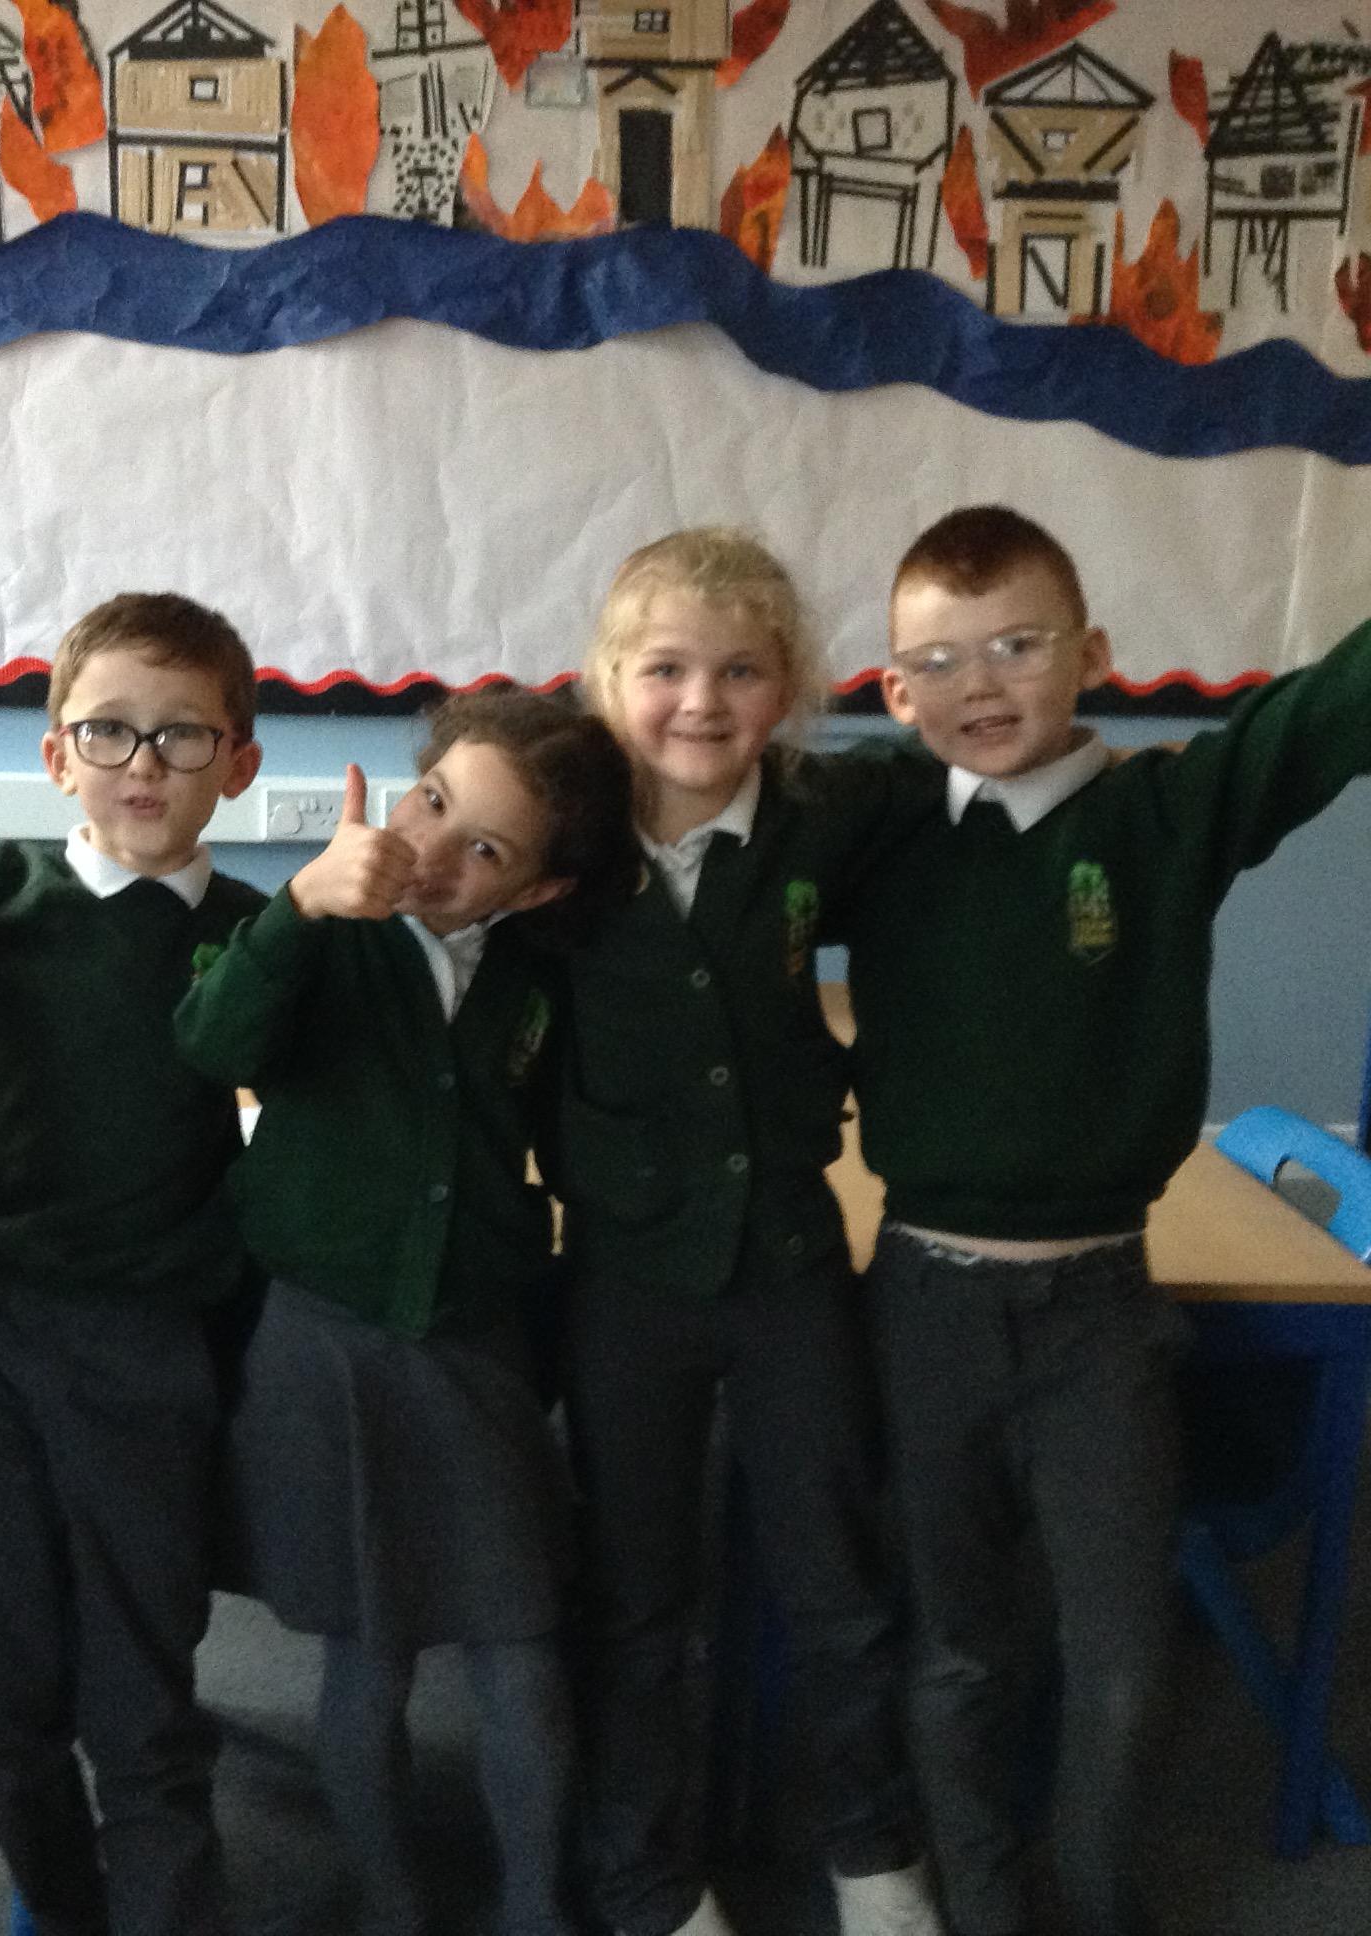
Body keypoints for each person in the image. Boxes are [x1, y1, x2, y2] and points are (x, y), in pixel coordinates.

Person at [846, 505, 1371, 1936]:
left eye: (1018, 645)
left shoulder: (1163, 818)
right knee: (955, 1645)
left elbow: (1324, 717)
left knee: (1123, 1652)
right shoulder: (879, 830)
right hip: (926, 1301)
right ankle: (985, 1902)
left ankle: (1093, 1896)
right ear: (894, 692)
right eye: (938, 660)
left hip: (1100, 1310)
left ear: (1092, 653)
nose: (981, 684)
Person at [176, 689, 637, 1936]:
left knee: (519, 1647)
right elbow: (213, 1044)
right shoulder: (330, 928)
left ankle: (536, 1904)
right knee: (365, 1655)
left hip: (473, 1345)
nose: (430, 851)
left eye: (482, 847)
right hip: (323, 1345)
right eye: (431, 802)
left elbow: (562, 1129)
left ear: (537, 889)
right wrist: (299, 904)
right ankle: (388, 1901)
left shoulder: (536, 976)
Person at [552, 531, 945, 1936]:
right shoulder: (560, 826)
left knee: (838, 1574)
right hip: (623, 1274)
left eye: (740, 672)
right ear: (607, 680)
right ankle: (649, 1879)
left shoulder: (832, 809)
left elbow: (976, 781)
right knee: (634, 1597)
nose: (700, 703)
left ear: (790, 689)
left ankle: (873, 1848)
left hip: (787, 1263)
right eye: (664, 669)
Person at [0, 592, 268, 1936]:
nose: (143, 763)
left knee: (143, 1696)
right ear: (55, 757)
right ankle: (57, 1898)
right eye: (107, 731)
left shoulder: (255, 936)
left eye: (182, 735)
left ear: (237, 764)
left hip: (151, 1348)